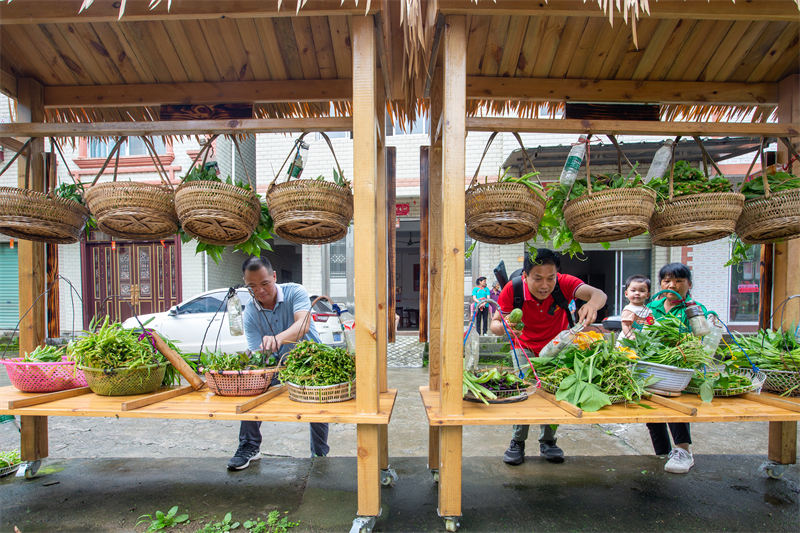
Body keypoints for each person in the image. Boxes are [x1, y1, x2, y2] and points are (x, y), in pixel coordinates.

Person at [490, 249, 607, 465]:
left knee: (553, 392)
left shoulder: (564, 283)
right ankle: (518, 441)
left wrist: (591, 304)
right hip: (523, 347)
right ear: (525, 276)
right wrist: (504, 327)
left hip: (556, 346)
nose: (545, 285)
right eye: (538, 278)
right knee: (524, 393)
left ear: (557, 275)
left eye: (550, 278)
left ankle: (549, 441)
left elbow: (599, 294)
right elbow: (494, 324)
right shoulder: (513, 288)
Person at [228, 256, 330, 470]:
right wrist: (256, 364)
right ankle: (249, 446)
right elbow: (259, 356)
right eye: (252, 286)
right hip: (276, 366)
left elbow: (302, 324)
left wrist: (278, 338)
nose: (260, 291)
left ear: (274, 277)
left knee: (317, 403)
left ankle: (319, 455)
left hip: (308, 361)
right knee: (253, 389)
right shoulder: (251, 313)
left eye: (265, 283)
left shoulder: (295, 291)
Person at [645, 262, 708, 474]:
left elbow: (701, 337)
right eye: (667, 280)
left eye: (679, 280)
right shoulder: (652, 306)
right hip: (652, 365)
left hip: (677, 368)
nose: (672, 285)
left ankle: (683, 451)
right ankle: (662, 453)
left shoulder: (693, 309)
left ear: (689, 284)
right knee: (653, 415)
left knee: (675, 409)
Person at [620, 275, 653, 341]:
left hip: (642, 338)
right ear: (626, 294)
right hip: (630, 338)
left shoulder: (647, 310)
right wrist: (629, 336)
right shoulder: (629, 310)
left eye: (642, 291)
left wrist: (652, 323)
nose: (637, 293)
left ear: (648, 295)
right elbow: (625, 325)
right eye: (633, 290)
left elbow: (650, 321)